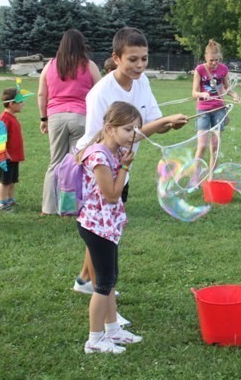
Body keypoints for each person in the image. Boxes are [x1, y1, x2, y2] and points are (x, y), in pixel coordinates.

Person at [72, 27, 188, 324]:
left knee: (105, 236)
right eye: (132, 59)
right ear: (116, 58)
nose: (139, 66)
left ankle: (87, 280)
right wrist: (153, 127)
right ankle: (104, 301)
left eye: (144, 59)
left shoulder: (142, 81)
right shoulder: (101, 93)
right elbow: (107, 137)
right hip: (100, 169)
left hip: (122, 166)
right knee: (103, 236)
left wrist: (167, 123)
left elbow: (150, 122)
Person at [78, 101, 143, 354]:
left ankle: (113, 330)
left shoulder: (113, 152)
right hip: (97, 227)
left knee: (110, 280)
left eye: (136, 130)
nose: (133, 135)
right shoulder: (99, 156)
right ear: (109, 128)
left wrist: (123, 162)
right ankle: (94, 340)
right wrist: (126, 166)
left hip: (107, 225)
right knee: (103, 285)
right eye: (128, 129)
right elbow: (113, 195)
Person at [38, 29, 102, 215]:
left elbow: (42, 94)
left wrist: (43, 118)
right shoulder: (89, 65)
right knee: (76, 163)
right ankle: (72, 208)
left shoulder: (50, 65)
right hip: (81, 117)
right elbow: (99, 92)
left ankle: (48, 208)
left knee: (55, 162)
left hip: (56, 117)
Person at [191, 39, 239, 174]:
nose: (214, 63)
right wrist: (202, 93)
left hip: (219, 110)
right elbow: (194, 93)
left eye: (217, 60)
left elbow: (226, 88)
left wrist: (234, 94)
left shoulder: (223, 69)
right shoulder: (200, 69)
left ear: (220, 58)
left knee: (215, 147)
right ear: (206, 57)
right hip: (203, 111)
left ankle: (211, 178)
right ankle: (195, 178)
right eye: (211, 60)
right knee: (202, 146)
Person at [0, 88, 26, 211]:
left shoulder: (12, 117)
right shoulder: (4, 119)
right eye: (20, 102)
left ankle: (10, 200)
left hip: (14, 157)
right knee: (5, 182)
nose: (22, 104)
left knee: (12, 180)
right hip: (6, 158)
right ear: (11, 104)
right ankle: (2, 203)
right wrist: (4, 154)